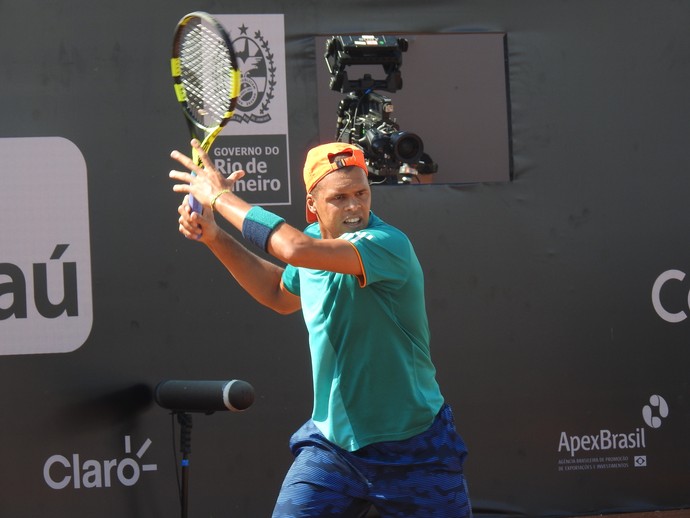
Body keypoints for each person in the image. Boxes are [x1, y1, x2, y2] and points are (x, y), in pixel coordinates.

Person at [169, 139, 472, 517]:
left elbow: (292, 249)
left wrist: (219, 198)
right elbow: (278, 293)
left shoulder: (388, 244)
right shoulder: (312, 242)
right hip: (333, 446)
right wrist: (215, 236)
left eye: (361, 193)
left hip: (414, 447)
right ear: (312, 205)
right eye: (339, 198)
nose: (354, 207)